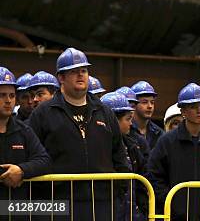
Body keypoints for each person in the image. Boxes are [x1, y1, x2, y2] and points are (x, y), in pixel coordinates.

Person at [28, 47, 130, 220]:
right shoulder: (43, 114)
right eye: (74, 71)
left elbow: (118, 154)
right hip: (58, 204)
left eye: (84, 70)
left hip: (102, 203)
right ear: (61, 77)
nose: (80, 75)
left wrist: (117, 191)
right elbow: (33, 155)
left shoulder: (104, 112)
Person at [147, 82, 200, 220]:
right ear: (183, 111)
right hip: (174, 216)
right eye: (193, 107)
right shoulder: (167, 142)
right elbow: (154, 175)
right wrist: (171, 202)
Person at [0, 66, 50, 203]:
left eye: (11, 95)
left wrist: (22, 170)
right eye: (2, 95)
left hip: (16, 209)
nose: (8, 100)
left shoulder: (24, 130)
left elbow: (44, 161)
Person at [100, 92, 149, 220]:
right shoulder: (96, 149)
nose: (131, 124)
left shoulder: (132, 146)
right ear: (113, 120)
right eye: (128, 119)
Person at [131, 80, 164, 150]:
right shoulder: (126, 130)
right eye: (144, 102)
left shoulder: (159, 133)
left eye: (152, 102)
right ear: (134, 105)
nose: (150, 106)